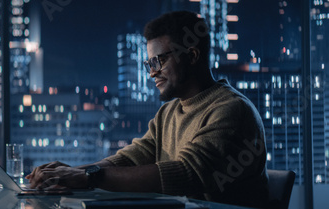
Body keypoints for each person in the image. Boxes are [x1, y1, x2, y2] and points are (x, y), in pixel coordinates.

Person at [25, 11, 269, 208]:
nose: (152, 72)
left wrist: (87, 177)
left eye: (158, 61)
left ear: (192, 55)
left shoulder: (231, 110)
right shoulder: (168, 112)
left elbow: (187, 174)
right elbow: (130, 158)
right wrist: (66, 173)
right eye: (148, 63)